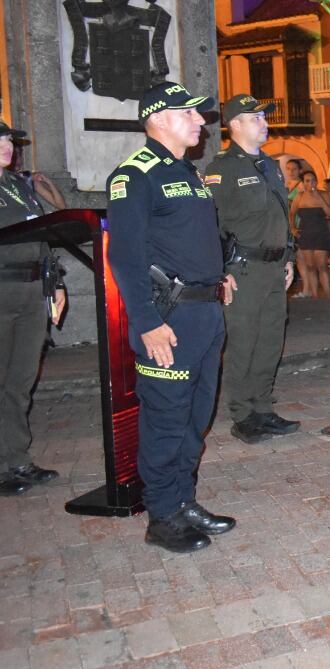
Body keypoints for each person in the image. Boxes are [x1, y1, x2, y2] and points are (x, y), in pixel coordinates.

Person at [105, 81, 237, 553]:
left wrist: (221, 274)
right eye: (190, 114)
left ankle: (184, 501)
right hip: (169, 320)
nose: (201, 122)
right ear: (160, 118)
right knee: (166, 419)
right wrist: (145, 321)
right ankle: (162, 515)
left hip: (204, 313)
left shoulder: (188, 173)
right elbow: (125, 255)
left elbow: (191, 239)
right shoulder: (135, 175)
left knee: (195, 417)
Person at [203, 94, 299, 444]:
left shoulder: (271, 166)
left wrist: (289, 257)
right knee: (244, 343)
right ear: (235, 125)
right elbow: (208, 225)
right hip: (242, 271)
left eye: (264, 117)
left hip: (275, 269)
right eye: (256, 117)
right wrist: (218, 271)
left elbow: (281, 218)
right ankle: (243, 415)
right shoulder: (221, 170)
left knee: (271, 341)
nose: (264, 122)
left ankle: (263, 407)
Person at [0, 119, 64, 496]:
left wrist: (54, 284)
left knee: (20, 382)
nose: (7, 145)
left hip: (29, 292)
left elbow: (42, 239)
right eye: (0, 140)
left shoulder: (19, 187)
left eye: (9, 140)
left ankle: (17, 458)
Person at [289, 171, 330, 299]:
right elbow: (291, 213)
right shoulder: (300, 196)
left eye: (313, 180)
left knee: (322, 267)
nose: (311, 183)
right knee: (310, 267)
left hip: (321, 234)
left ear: (317, 181)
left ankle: (328, 297)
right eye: (307, 181)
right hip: (305, 234)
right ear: (303, 183)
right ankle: (315, 297)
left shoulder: (324, 194)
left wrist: (319, 197)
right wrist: (292, 228)